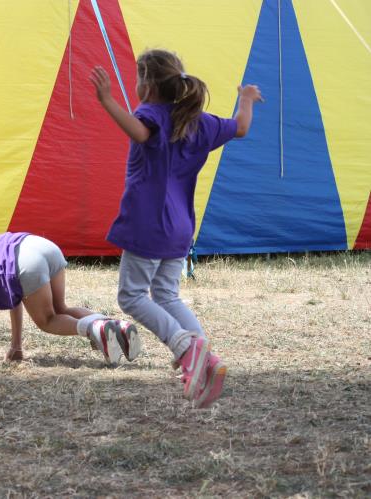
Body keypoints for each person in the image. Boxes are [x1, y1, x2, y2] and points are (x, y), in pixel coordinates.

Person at [89, 49, 263, 408]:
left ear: (148, 84)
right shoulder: (200, 122)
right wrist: (245, 99)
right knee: (166, 295)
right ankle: (205, 362)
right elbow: (241, 127)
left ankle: (186, 348)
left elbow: (139, 132)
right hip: (181, 226)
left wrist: (107, 100)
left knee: (131, 297)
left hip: (149, 223)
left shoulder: (150, 114)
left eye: (138, 77)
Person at [0, 232, 141, 368]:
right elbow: (15, 298)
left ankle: (97, 331)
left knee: (47, 320)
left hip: (25, 261)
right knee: (61, 308)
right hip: (41, 245)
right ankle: (115, 325)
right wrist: (16, 347)